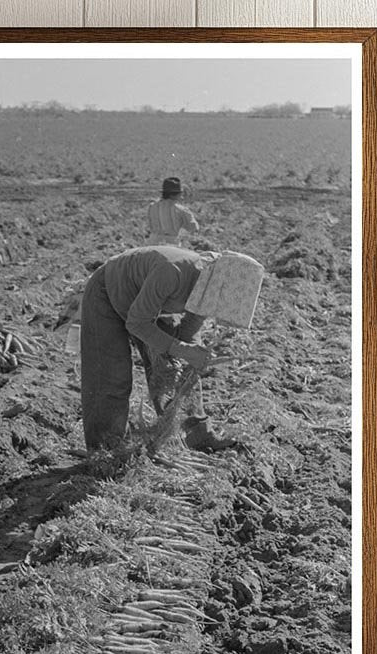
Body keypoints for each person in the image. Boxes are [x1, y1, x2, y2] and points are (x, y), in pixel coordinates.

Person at [80, 245, 251, 452]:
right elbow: (137, 323)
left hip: (151, 303)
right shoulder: (172, 273)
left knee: (177, 368)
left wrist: (193, 355)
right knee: (112, 375)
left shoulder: (210, 289)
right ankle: (105, 450)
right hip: (108, 293)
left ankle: (197, 435)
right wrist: (183, 349)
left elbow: (188, 331)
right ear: (214, 284)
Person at [147, 177, 200, 246]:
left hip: (152, 243)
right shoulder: (181, 210)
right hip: (171, 244)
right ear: (175, 194)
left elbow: (151, 226)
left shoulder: (152, 206)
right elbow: (194, 228)